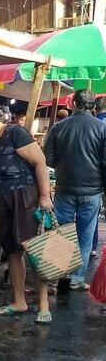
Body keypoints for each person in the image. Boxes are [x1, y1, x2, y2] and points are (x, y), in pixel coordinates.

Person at [0, 100, 53, 322]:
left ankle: (43, 304)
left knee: (34, 250)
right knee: (12, 250)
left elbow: (40, 162)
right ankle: (19, 301)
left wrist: (44, 196)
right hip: (0, 201)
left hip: (25, 197)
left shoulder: (15, 133)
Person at [43, 89, 106, 290]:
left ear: (72, 104)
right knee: (85, 236)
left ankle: (58, 275)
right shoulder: (101, 128)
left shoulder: (58, 127)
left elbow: (48, 159)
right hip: (93, 190)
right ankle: (77, 279)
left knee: (61, 233)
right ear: (93, 107)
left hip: (64, 188)